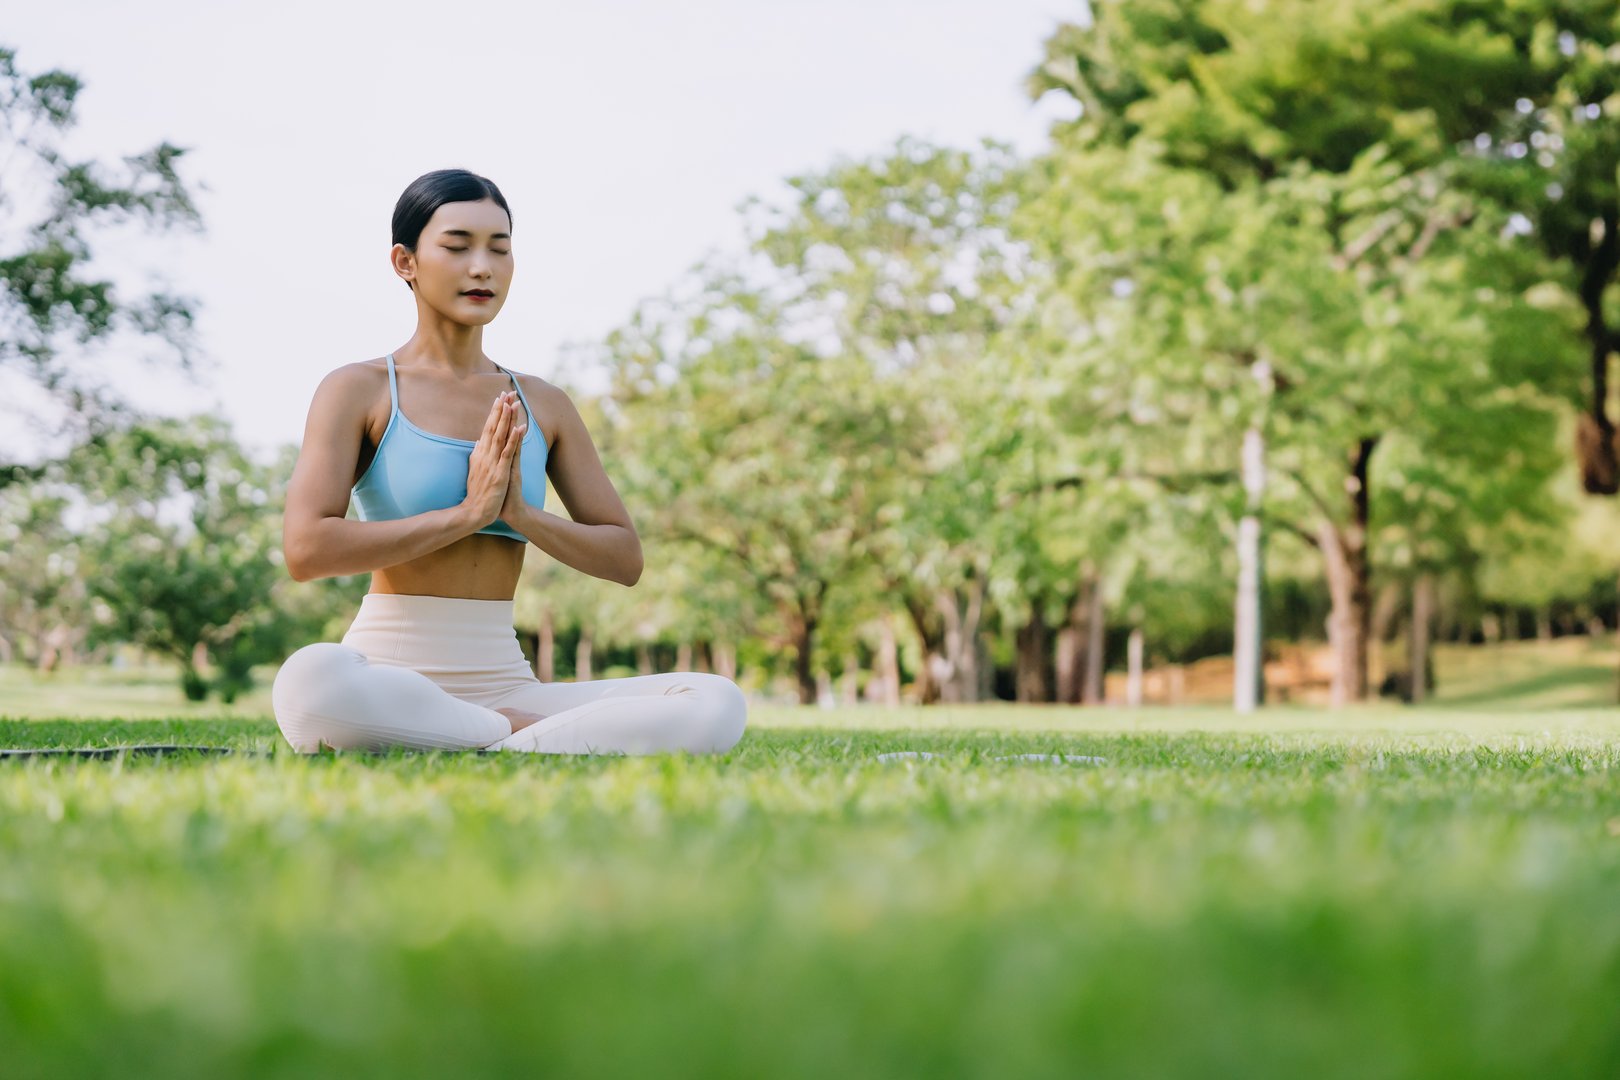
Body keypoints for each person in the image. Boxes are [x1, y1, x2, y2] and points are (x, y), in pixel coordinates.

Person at [270, 168, 747, 756]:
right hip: (389, 673)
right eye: (457, 246)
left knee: (716, 701)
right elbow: (306, 550)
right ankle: (520, 738)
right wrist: (465, 515)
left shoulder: (542, 403)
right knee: (311, 681)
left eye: (500, 248)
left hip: (505, 682)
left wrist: (520, 515)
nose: (482, 267)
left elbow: (624, 559)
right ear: (405, 262)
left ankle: (485, 733)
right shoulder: (359, 389)